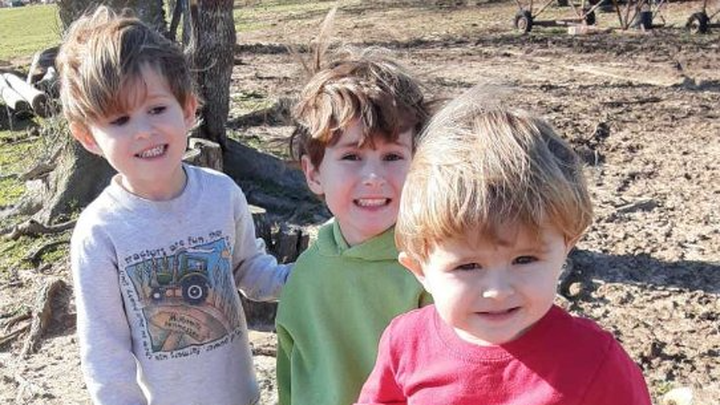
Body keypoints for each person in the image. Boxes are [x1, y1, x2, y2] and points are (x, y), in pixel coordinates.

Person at [355, 88, 653, 405]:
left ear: (566, 247)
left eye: (525, 259)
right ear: (419, 270)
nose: (498, 290)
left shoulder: (594, 361)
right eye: (468, 266)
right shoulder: (406, 343)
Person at [57, 7, 291, 405]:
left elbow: (251, 271)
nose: (144, 131)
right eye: (120, 120)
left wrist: (310, 274)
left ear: (187, 109)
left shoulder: (221, 193)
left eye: (156, 109)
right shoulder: (100, 232)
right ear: (88, 137)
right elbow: (105, 350)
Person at [274, 36, 435, 405]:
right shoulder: (306, 275)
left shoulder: (434, 269)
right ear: (313, 173)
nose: (373, 177)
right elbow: (290, 378)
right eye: (351, 157)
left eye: (392, 157)